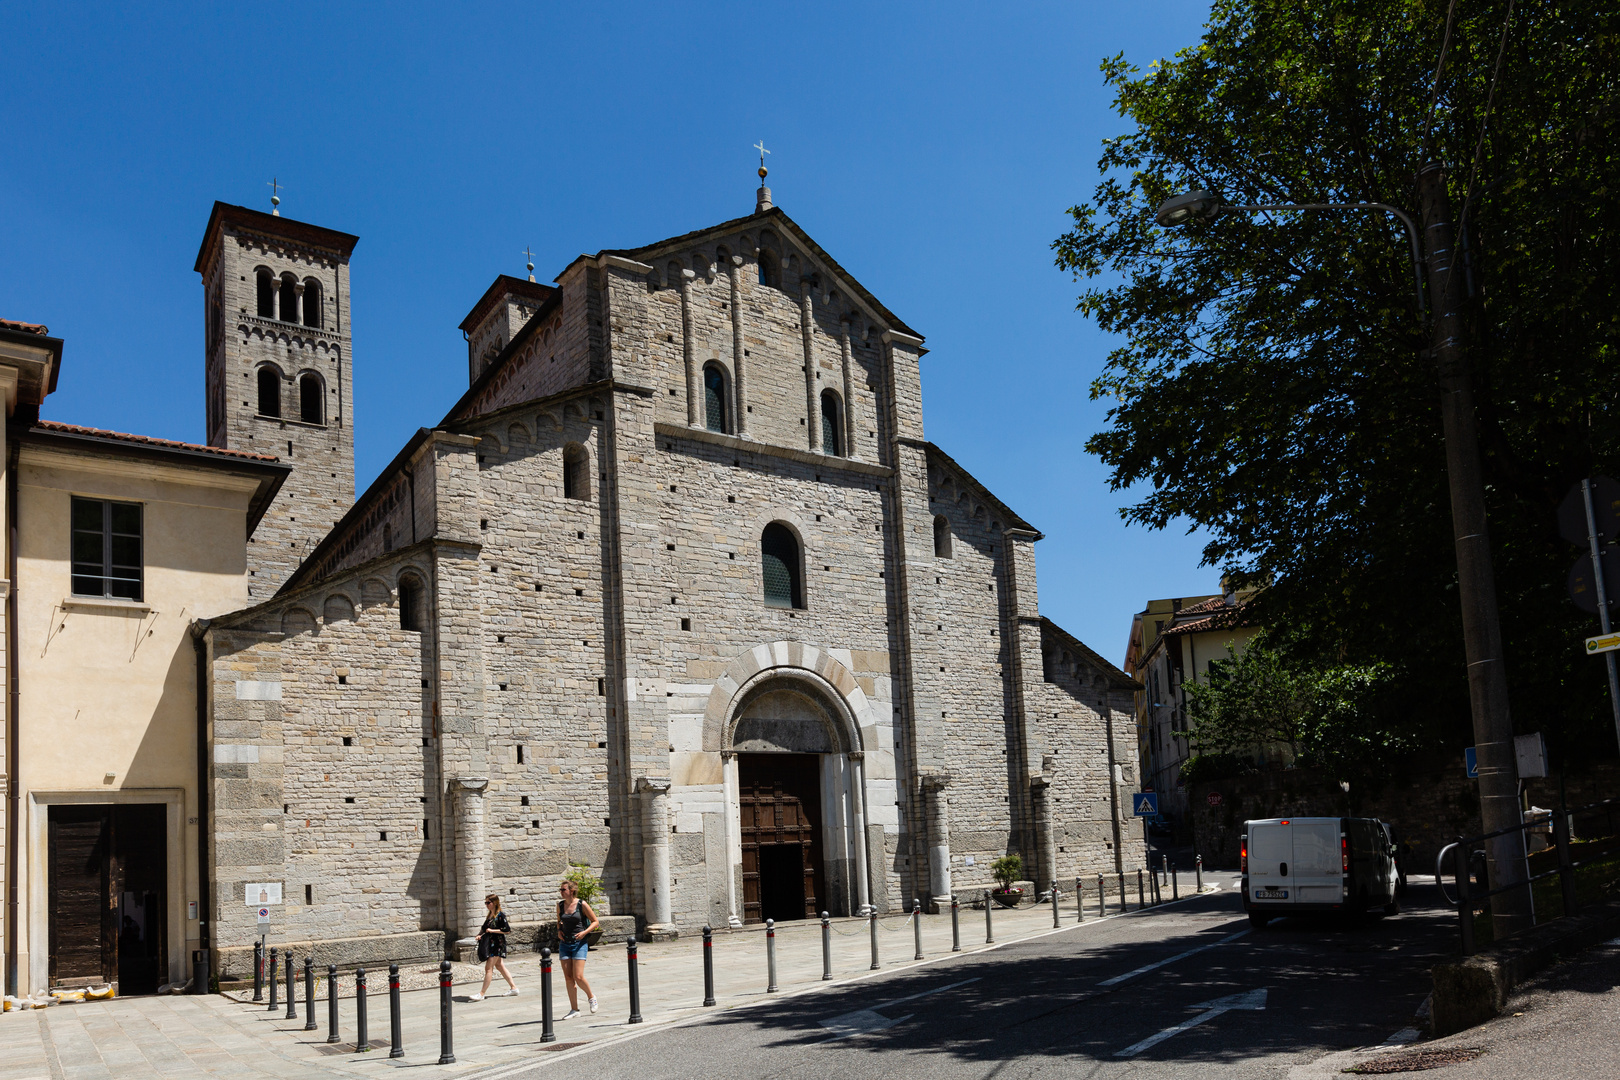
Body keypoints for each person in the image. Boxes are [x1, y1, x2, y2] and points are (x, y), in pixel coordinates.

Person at [556, 879, 600, 1018]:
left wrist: (585, 933)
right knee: (569, 978)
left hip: (579, 943)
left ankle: (591, 997)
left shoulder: (581, 904)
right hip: (565, 944)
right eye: (560, 890)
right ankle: (574, 1009)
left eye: (563, 890)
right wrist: (559, 931)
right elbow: (559, 921)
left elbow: (595, 922)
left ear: (571, 891)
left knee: (578, 976)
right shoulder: (560, 905)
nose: (561, 892)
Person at [469, 894, 518, 1001]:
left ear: (494, 903)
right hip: (490, 944)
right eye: (485, 903)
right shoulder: (490, 916)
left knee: (488, 968)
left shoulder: (500, 915)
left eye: (488, 903)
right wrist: (479, 935)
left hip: (497, 945)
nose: (486, 905)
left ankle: (481, 994)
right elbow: (484, 928)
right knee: (500, 966)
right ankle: (514, 988)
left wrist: (492, 931)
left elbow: (507, 930)